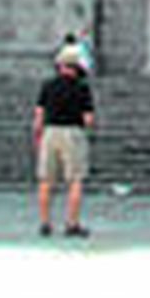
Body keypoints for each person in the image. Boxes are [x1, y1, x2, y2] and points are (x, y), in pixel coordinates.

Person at [34, 46, 95, 237]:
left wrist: (38, 135)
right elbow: (88, 119)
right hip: (73, 132)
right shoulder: (82, 87)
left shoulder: (48, 85)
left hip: (50, 132)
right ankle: (72, 223)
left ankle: (45, 223)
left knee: (45, 180)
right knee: (75, 180)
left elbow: (38, 114)